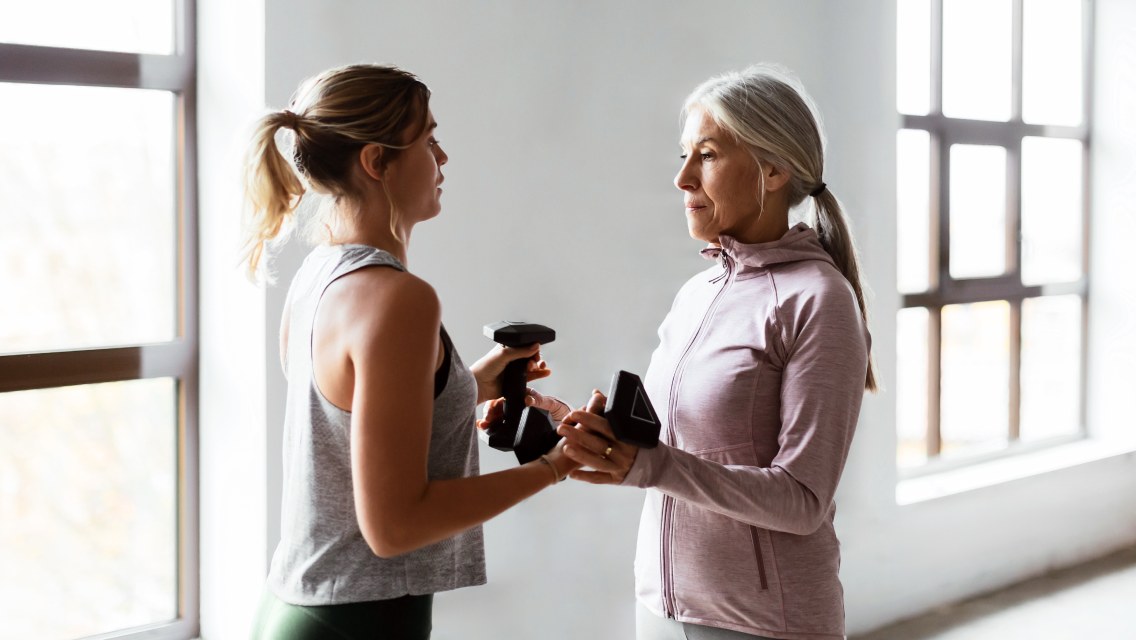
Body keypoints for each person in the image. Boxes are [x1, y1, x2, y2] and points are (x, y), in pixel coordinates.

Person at [242, 63, 577, 639]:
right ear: (377, 162)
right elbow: (393, 526)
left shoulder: (320, 274)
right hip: (356, 623)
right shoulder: (400, 299)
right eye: (428, 139)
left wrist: (468, 385)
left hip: (304, 608)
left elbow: (351, 421)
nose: (442, 159)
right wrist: (556, 465)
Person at [552, 64, 876, 640]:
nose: (681, 178)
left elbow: (802, 498)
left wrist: (651, 465)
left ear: (773, 169)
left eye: (705, 155)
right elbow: (672, 442)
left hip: (760, 623)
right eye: (683, 155)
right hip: (659, 605)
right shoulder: (697, 291)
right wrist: (587, 428)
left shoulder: (818, 300)